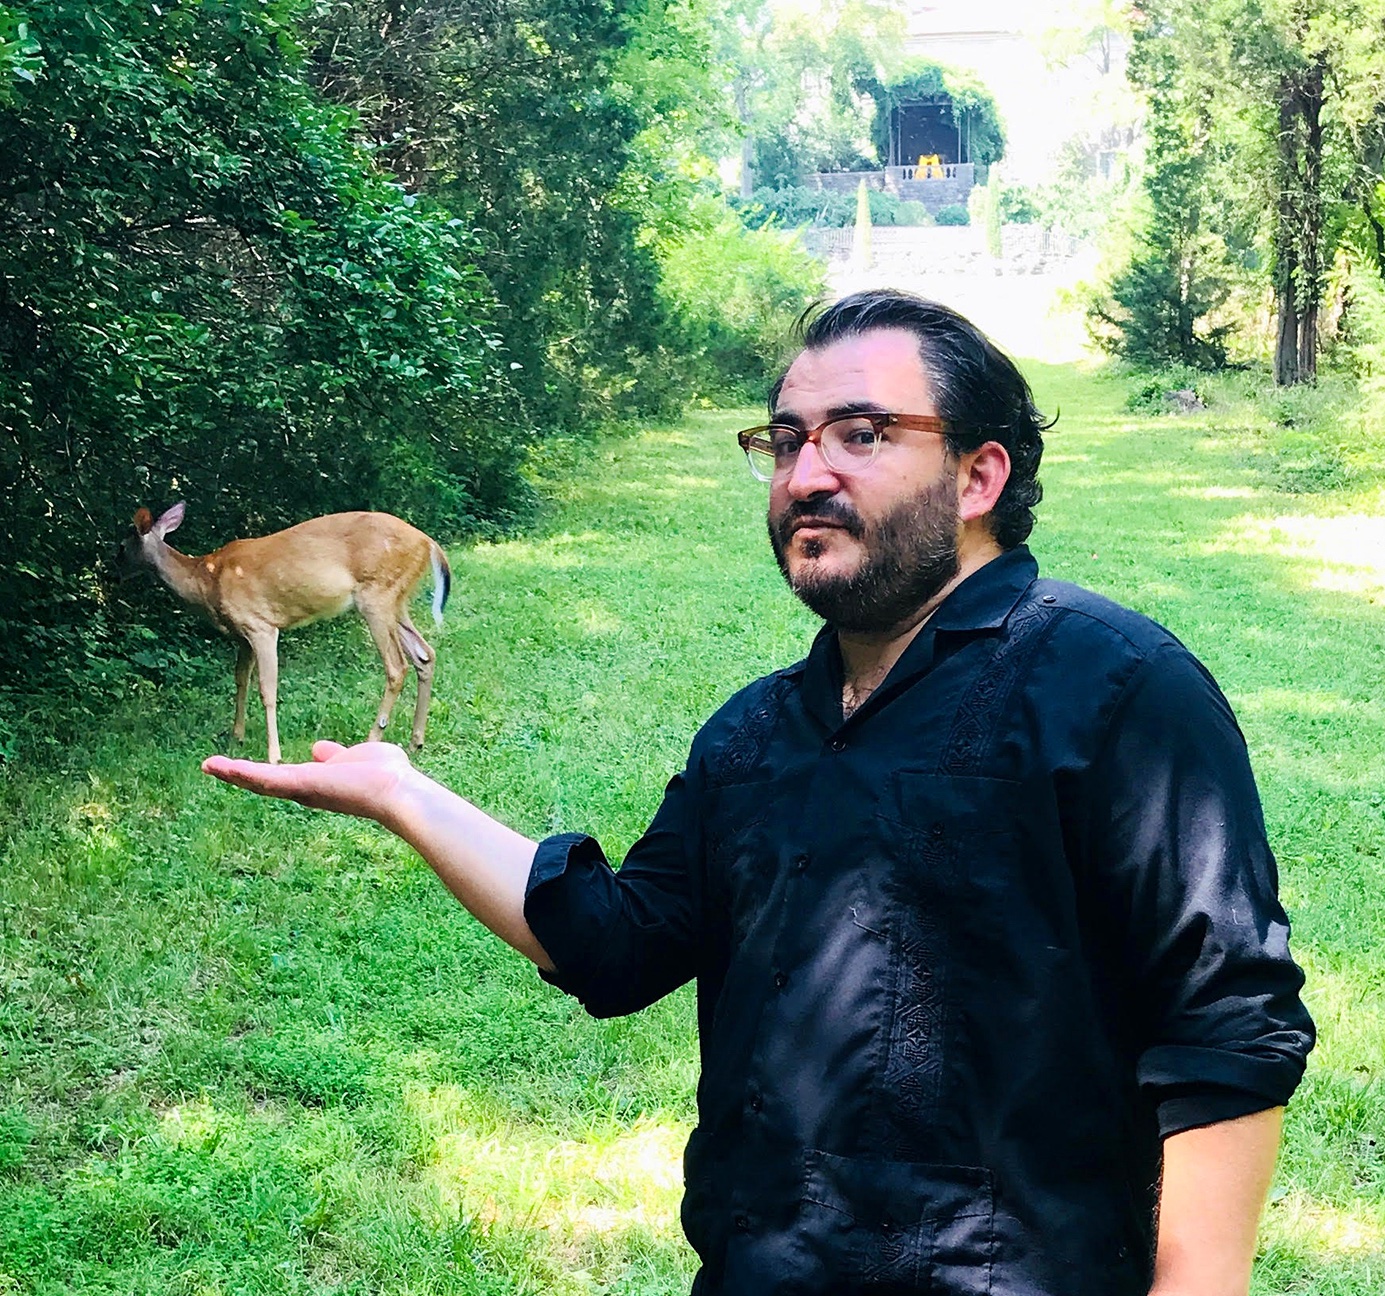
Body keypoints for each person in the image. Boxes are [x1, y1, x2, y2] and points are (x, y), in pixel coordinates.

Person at [204, 290, 1315, 1296]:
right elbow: (618, 942)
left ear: (978, 476)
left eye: (861, 434)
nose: (805, 473)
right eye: (785, 441)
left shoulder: (1114, 687)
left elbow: (1224, 1021)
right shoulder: (754, 734)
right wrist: (406, 796)